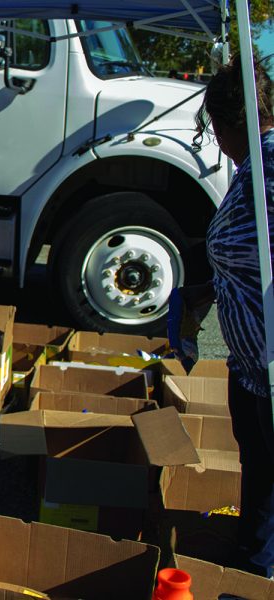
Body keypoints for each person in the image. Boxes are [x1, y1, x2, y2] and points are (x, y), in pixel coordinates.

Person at [195, 53, 274, 578]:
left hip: (269, 374)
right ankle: (253, 567)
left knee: (267, 496)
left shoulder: (268, 172)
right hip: (253, 372)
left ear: (227, 126)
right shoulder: (252, 171)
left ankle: (254, 577)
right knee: (262, 483)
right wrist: (202, 293)